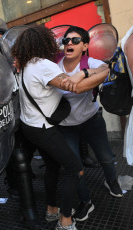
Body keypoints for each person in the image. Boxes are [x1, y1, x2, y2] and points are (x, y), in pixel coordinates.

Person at [11, 25, 109, 230]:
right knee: (75, 169)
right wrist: (93, 70)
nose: (61, 45)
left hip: (30, 127)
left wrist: (84, 71)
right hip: (44, 129)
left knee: (53, 167)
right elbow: (77, 87)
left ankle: (52, 209)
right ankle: (65, 221)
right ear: (44, 43)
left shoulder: (26, 65)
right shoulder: (43, 65)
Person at [57, 26, 123, 222]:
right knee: (74, 167)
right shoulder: (54, 64)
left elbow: (107, 68)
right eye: (66, 40)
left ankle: (111, 181)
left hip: (91, 121)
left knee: (106, 158)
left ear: (85, 46)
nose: (69, 43)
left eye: (75, 41)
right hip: (65, 126)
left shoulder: (90, 62)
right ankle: (85, 201)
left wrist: (83, 73)